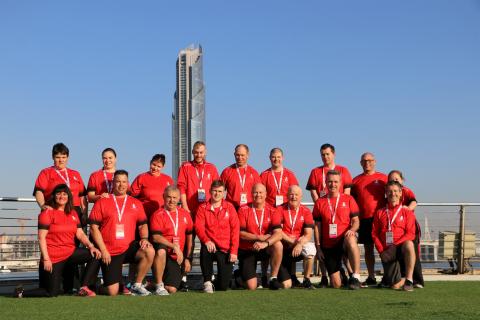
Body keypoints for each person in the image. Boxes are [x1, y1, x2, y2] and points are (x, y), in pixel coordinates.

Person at [17, 184, 100, 297]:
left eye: (65, 194)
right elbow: (41, 237)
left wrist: (91, 246)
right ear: (54, 196)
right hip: (53, 258)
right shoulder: (47, 213)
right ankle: (20, 293)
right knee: (51, 293)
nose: (62, 196)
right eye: (58, 193)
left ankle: (84, 287)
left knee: (96, 254)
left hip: (70, 253)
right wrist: (46, 259)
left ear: (68, 197)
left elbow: (80, 234)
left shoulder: (73, 213)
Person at [89, 170, 155, 296]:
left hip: (128, 248)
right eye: (118, 181)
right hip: (110, 251)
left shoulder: (135, 203)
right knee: (112, 291)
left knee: (149, 250)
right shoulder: (102, 201)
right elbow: (93, 228)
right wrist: (103, 250)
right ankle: (97, 286)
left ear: (128, 183)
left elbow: (143, 224)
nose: (121, 184)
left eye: (124, 181)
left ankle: (137, 285)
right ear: (113, 183)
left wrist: (145, 238)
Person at [306, 143, 352, 287]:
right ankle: (325, 276)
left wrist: (338, 207)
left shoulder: (343, 170)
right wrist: (322, 204)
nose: (325, 157)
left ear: (334, 154)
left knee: (345, 246)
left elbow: (347, 192)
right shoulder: (315, 171)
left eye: (328, 154)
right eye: (323, 154)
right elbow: (313, 191)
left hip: (340, 214)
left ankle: (351, 274)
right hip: (324, 211)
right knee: (323, 243)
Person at [176, 141, 219, 290]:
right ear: (192, 152)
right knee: (188, 243)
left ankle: (209, 276)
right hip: (190, 210)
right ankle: (183, 277)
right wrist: (185, 207)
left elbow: (216, 189)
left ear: (205, 152)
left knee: (209, 241)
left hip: (206, 211)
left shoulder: (211, 168)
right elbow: (181, 187)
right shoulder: (185, 166)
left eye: (201, 152)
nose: (198, 155)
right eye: (196, 152)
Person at [313, 170, 362, 289]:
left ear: (340, 183)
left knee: (351, 239)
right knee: (336, 284)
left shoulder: (349, 199)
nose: (332, 184)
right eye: (330, 182)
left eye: (335, 182)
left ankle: (356, 276)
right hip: (329, 245)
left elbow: (356, 221)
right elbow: (317, 227)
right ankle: (342, 273)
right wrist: (318, 248)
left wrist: (353, 230)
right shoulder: (320, 202)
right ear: (325, 182)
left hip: (343, 241)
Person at [237, 183, 289, 290]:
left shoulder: (273, 210)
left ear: (266, 194)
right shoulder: (243, 209)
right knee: (252, 287)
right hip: (248, 249)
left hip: (265, 247)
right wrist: (258, 237)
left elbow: (278, 233)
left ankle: (273, 278)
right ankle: (239, 275)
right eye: (255, 192)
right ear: (251, 194)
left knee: (278, 245)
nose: (258, 195)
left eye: (261, 192)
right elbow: (240, 233)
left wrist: (265, 243)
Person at [195, 180, 240, 293]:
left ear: (224, 193)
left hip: (225, 248)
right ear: (210, 191)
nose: (217, 193)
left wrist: (234, 251)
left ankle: (220, 281)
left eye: (220, 191)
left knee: (223, 287)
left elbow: (235, 230)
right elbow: (199, 227)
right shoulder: (202, 207)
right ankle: (207, 281)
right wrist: (206, 240)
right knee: (205, 249)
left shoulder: (229, 207)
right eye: (214, 191)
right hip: (211, 246)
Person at [372, 181, 416, 291]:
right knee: (394, 285)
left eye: (395, 191)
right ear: (386, 193)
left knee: (409, 244)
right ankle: (394, 278)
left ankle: (409, 280)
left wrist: (395, 245)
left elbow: (410, 233)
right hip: (387, 250)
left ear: (400, 193)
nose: (393, 194)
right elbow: (374, 233)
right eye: (390, 191)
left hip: (400, 248)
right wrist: (382, 251)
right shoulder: (380, 212)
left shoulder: (407, 212)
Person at [351, 152, 387, 287]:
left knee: (383, 248)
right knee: (368, 249)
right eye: (364, 161)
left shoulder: (383, 178)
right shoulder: (355, 181)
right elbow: (351, 201)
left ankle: (387, 276)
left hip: (380, 219)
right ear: (360, 163)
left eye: (370, 160)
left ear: (375, 161)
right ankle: (371, 276)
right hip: (364, 219)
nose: (367, 163)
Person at [150, 186, 193, 295]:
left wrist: (188, 258)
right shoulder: (158, 214)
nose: (171, 200)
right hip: (164, 253)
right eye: (169, 197)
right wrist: (173, 246)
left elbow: (189, 237)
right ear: (163, 197)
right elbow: (156, 237)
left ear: (179, 199)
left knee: (172, 289)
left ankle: (151, 283)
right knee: (161, 250)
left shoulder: (185, 214)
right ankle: (159, 285)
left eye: (174, 197)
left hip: (177, 256)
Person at [34, 143, 87, 225]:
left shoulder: (75, 174)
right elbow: (38, 191)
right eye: (58, 157)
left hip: (74, 211)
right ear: (52, 157)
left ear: (68, 158)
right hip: (54, 209)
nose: (61, 160)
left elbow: (82, 195)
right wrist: (42, 205)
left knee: (79, 236)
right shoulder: (46, 172)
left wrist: (84, 213)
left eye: (63, 157)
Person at [388, 170, 424, 288]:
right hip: (396, 227)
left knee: (413, 251)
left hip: (409, 225)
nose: (394, 181)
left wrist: (406, 209)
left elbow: (414, 202)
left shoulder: (406, 191)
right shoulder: (389, 192)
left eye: (396, 179)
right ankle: (401, 277)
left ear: (402, 180)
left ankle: (417, 280)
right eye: (392, 179)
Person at [278, 185, 316, 289]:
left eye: (296, 195)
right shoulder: (280, 209)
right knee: (286, 285)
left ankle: (306, 279)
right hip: (283, 248)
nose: (293, 197)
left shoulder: (306, 211)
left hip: (297, 246)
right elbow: (278, 232)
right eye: (291, 194)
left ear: (301, 197)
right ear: (287, 195)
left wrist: (299, 244)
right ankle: (285, 277)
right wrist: (294, 242)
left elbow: (308, 234)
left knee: (310, 248)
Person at [130, 154, 174, 218]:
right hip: (145, 215)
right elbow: (132, 196)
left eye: (159, 166)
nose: (155, 168)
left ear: (163, 167)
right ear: (150, 162)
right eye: (154, 164)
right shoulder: (141, 177)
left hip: (163, 216)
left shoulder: (168, 179)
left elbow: (173, 197)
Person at [220, 144, 261, 210]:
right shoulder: (227, 171)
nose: (240, 157)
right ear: (234, 154)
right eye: (237, 155)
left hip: (249, 208)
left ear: (248, 155)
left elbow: (259, 193)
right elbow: (219, 191)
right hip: (231, 208)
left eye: (242, 155)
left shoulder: (254, 173)